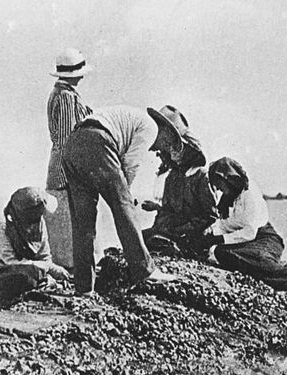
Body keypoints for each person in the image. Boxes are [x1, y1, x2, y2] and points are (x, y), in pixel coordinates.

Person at [62, 105, 179, 294]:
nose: (159, 149)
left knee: (82, 224)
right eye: (168, 143)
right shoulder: (151, 127)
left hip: (72, 145)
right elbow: (130, 163)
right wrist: (127, 194)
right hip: (97, 142)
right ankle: (145, 270)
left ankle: (84, 287)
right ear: (165, 131)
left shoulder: (132, 120)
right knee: (124, 207)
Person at [198, 158, 287, 294]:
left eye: (219, 185)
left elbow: (250, 231)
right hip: (245, 239)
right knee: (222, 253)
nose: (219, 189)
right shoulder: (230, 196)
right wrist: (210, 232)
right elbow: (230, 223)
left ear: (228, 179)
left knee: (259, 260)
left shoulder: (250, 194)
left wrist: (218, 239)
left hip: (265, 238)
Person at [141, 105, 217, 252]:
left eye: (177, 149)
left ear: (189, 152)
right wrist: (159, 215)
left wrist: (181, 229)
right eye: (170, 149)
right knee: (141, 237)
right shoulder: (172, 177)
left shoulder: (201, 176)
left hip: (192, 234)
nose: (172, 153)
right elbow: (167, 211)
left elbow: (210, 217)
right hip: (171, 230)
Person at [45, 48, 93, 271]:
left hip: (67, 165)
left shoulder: (66, 94)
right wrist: (73, 172)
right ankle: (71, 269)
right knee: (66, 221)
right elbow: (65, 138)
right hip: (66, 168)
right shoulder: (64, 97)